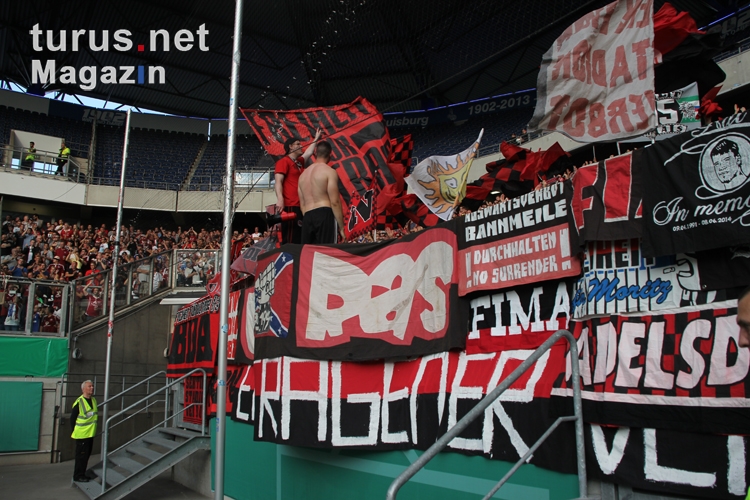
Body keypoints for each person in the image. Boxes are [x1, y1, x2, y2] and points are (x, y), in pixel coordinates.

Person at [274, 129, 321, 244]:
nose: (301, 146)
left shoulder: (299, 162)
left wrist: (316, 139)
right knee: (290, 238)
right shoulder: (284, 161)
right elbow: (278, 181)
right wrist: (280, 199)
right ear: (291, 146)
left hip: (301, 206)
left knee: (299, 237)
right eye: (298, 144)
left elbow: (308, 153)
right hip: (290, 206)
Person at [298, 141, 345, 244]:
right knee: (327, 252)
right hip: (324, 214)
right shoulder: (329, 171)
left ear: (315, 153)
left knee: (309, 254)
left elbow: (302, 205)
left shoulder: (302, 175)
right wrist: (341, 227)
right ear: (330, 154)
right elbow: (335, 202)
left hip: (307, 216)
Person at [71, 380, 97, 483]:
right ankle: (78, 475)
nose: (92, 388)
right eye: (89, 386)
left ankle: (82, 473)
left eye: (92, 386)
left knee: (86, 456)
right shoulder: (79, 402)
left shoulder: (93, 400)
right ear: (83, 389)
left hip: (90, 434)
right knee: (81, 456)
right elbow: (72, 419)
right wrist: (76, 431)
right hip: (82, 435)